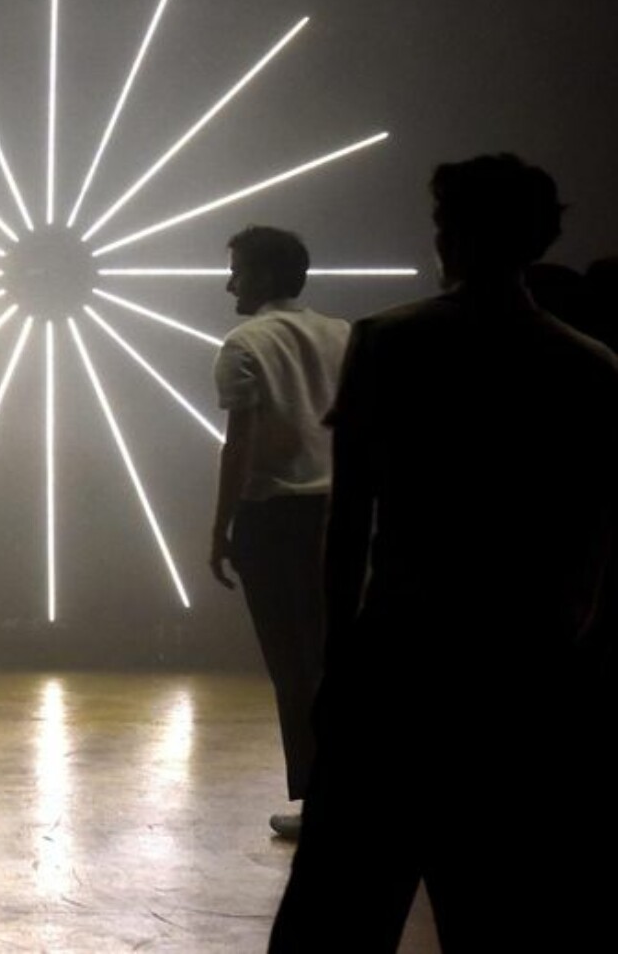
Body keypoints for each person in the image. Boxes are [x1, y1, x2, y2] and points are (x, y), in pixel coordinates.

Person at [269, 154, 617, 951]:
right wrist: (576, 663)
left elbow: (349, 522)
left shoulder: (391, 342)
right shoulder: (591, 367)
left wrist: (335, 661)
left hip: (401, 657)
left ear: (454, 236)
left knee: (339, 909)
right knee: (502, 906)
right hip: (524, 667)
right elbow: (597, 539)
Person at [207, 225, 349, 840]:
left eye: (237, 269)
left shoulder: (245, 342)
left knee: (291, 669)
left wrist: (221, 526)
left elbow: (238, 446)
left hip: (273, 517)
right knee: (334, 661)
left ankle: (318, 802)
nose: (230, 281)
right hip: (339, 511)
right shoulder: (346, 335)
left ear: (263, 275)